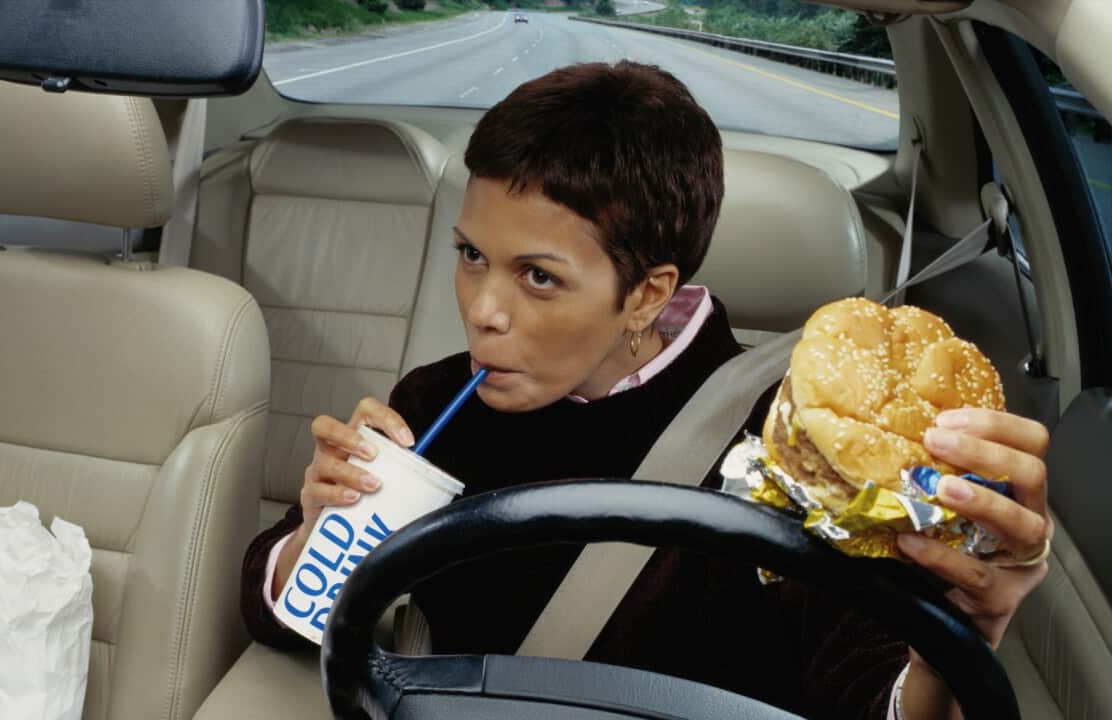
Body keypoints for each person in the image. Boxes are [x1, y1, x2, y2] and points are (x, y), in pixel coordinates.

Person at [240, 61, 1051, 719]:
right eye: (471, 255)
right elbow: (281, 618)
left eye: (538, 276)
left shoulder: (798, 447)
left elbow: (873, 699)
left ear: (646, 294)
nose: (482, 310)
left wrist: (954, 642)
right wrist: (314, 536)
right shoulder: (433, 403)